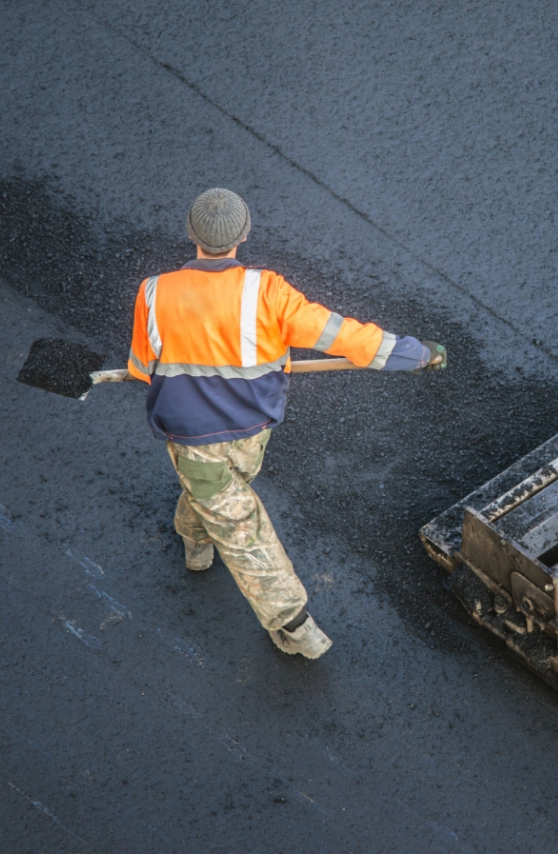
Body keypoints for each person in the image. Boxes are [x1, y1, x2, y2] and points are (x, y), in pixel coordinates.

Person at [126, 188, 446, 659]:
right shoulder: (267, 292)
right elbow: (345, 336)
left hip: (192, 438)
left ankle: (195, 540)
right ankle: (293, 623)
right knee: (241, 525)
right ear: (244, 235)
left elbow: (139, 366)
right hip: (253, 430)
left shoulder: (153, 293)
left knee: (219, 496)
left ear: (191, 234)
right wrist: (416, 354)